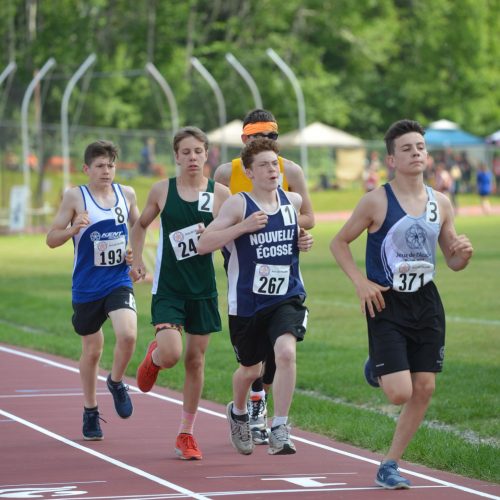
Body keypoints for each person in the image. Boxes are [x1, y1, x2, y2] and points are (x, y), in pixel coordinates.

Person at [330, 119, 473, 490]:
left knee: (424, 388)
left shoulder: (440, 202)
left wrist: (462, 254)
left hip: (426, 301)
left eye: (420, 147)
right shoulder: (377, 200)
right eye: (407, 148)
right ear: (392, 159)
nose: (416, 153)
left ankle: (389, 464)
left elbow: (452, 259)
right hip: (385, 301)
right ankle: (376, 367)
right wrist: (361, 283)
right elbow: (339, 243)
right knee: (399, 392)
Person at [198, 137, 313, 456]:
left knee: (286, 353)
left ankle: (280, 426)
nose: (271, 170)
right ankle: (237, 412)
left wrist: (302, 241)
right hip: (247, 302)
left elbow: (295, 234)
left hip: (286, 296)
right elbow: (203, 243)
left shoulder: (293, 201)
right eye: (263, 165)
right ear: (248, 172)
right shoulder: (238, 204)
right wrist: (242, 227)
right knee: (250, 370)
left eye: (274, 164)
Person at [129, 126, 231, 460]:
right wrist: (137, 260)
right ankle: (155, 357)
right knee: (172, 354)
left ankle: (186, 434)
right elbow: (141, 224)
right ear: (175, 156)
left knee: (195, 361)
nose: (192, 157)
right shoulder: (162, 190)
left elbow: (236, 236)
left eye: (198, 151)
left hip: (203, 289)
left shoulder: (221, 195)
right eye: (185, 152)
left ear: (207, 155)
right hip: (169, 287)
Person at [46, 140, 140, 441]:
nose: (106, 170)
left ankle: (115, 381)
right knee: (93, 349)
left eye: (111, 165)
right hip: (87, 285)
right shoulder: (76, 196)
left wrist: (133, 258)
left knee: (127, 334)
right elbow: (51, 238)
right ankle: (90, 410)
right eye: (100, 165)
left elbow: (139, 228)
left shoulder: (127, 194)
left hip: (117, 280)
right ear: (86, 169)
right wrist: (74, 229)